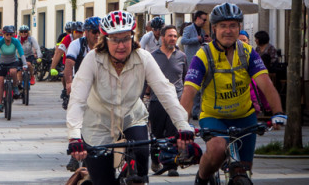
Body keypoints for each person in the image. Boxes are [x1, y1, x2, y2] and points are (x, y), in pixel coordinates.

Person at [67, 11, 194, 185]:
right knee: (103, 180)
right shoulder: (93, 60)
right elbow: (77, 99)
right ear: (105, 39)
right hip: (98, 123)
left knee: (142, 156)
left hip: (132, 117)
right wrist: (75, 137)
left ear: (132, 37)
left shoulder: (143, 58)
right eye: (115, 39)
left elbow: (165, 91)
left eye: (126, 38)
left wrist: (183, 125)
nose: (121, 45)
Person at [181, 3, 286, 185]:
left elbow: (266, 84)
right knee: (217, 149)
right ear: (214, 28)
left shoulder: (248, 52)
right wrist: (182, 125)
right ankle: (202, 177)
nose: (228, 30)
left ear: (239, 28)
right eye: (223, 26)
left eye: (233, 25)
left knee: (243, 171)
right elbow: (189, 92)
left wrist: (277, 113)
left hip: (244, 117)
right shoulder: (204, 55)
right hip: (214, 117)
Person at [148, 25, 188, 177]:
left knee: (173, 134)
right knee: (156, 134)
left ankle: (172, 165)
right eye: (170, 35)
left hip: (176, 101)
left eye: (175, 36)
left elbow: (185, 78)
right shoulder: (152, 56)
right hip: (156, 101)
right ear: (162, 37)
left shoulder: (181, 56)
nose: (173, 38)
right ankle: (155, 161)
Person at [0, 25, 27, 112]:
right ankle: (0, 104)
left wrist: (25, 64)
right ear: (4, 34)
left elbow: (21, 53)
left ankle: (14, 86)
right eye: (7, 34)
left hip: (13, 61)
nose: (9, 36)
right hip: (2, 62)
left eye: (11, 34)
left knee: (13, 71)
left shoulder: (15, 41)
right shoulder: (0, 42)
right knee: (1, 82)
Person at [180, 10, 209, 119]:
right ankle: (188, 111)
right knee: (191, 87)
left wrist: (205, 40)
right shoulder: (188, 29)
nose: (205, 22)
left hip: (200, 60)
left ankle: (196, 112)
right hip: (190, 60)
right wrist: (196, 39)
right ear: (197, 18)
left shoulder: (201, 31)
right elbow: (183, 41)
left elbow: (201, 43)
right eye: (204, 19)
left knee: (199, 88)